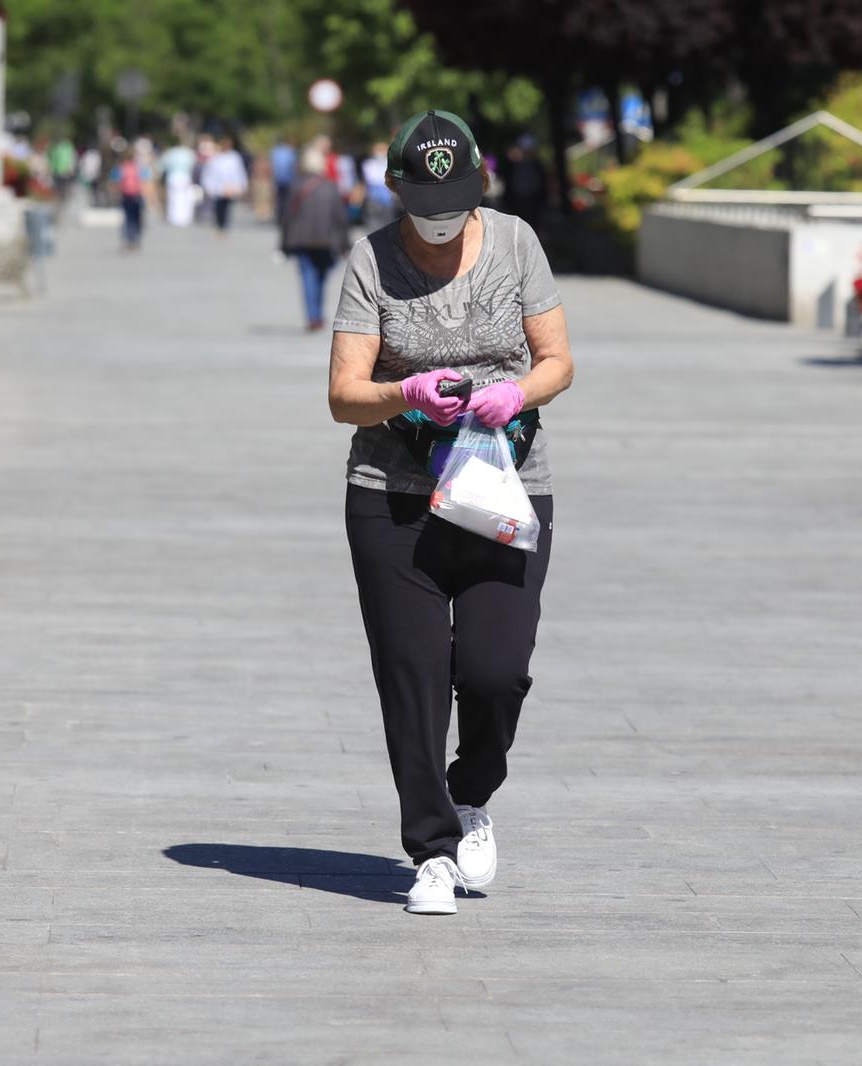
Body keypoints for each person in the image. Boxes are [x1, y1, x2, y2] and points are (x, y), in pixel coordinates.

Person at [327, 109, 574, 916]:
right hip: (393, 501)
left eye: (455, 204)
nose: (439, 223)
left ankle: (471, 795)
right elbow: (343, 395)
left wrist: (514, 392)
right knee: (415, 681)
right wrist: (407, 392)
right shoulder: (371, 260)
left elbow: (558, 361)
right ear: (396, 192)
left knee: (496, 674)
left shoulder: (515, 243)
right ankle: (431, 850)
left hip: (505, 487)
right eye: (424, 205)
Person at [281, 148, 349, 331]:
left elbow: (287, 217)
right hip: (326, 241)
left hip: (301, 240)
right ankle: (316, 314)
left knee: (308, 277)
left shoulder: (296, 186)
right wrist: (344, 244)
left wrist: (284, 244)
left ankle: (313, 316)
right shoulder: (330, 186)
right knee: (321, 277)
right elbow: (340, 218)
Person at [199, 135, 248, 235]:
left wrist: (240, 186)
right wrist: (208, 186)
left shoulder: (234, 157)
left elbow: (239, 172)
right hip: (218, 187)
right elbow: (209, 173)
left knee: (227, 207)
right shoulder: (215, 157)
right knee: (218, 207)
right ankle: (219, 225)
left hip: (231, 187)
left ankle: (224, 226)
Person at [112, 151, 150, 251]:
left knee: (128, 218)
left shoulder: (121, 168)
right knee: (137, 219)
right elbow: (145, 182)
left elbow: (115, 182)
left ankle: (128, 240)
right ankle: (136, 240)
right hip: (137, 195)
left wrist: (117, 193)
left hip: (125, 196)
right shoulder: (139, 168)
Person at [359, 141, 396, 231]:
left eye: (382, 150)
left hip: (388, 200)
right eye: (378, 150)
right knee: (373, 226)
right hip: (373, 199)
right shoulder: (368, 164)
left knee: (388, 225)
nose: (380, 153)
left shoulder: (390, 163)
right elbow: (370, 180)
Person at [162, 139, 198, 227]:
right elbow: (194, 166)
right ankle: (185, 218)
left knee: (173, 198)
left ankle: (173, 217)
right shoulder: (189, 153)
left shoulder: (170, 153)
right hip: (185, 176)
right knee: (185, 198)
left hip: (173, 177)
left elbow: (164, 165)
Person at [270, 138, 297, 224]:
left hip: (278, 179)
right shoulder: (290, 153)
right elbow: (293, 166)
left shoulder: (276, 152)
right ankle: (284, 217)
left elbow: (273, 165)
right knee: (286, 200)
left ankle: (279, 217)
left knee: (280, 199)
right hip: (288, 180)